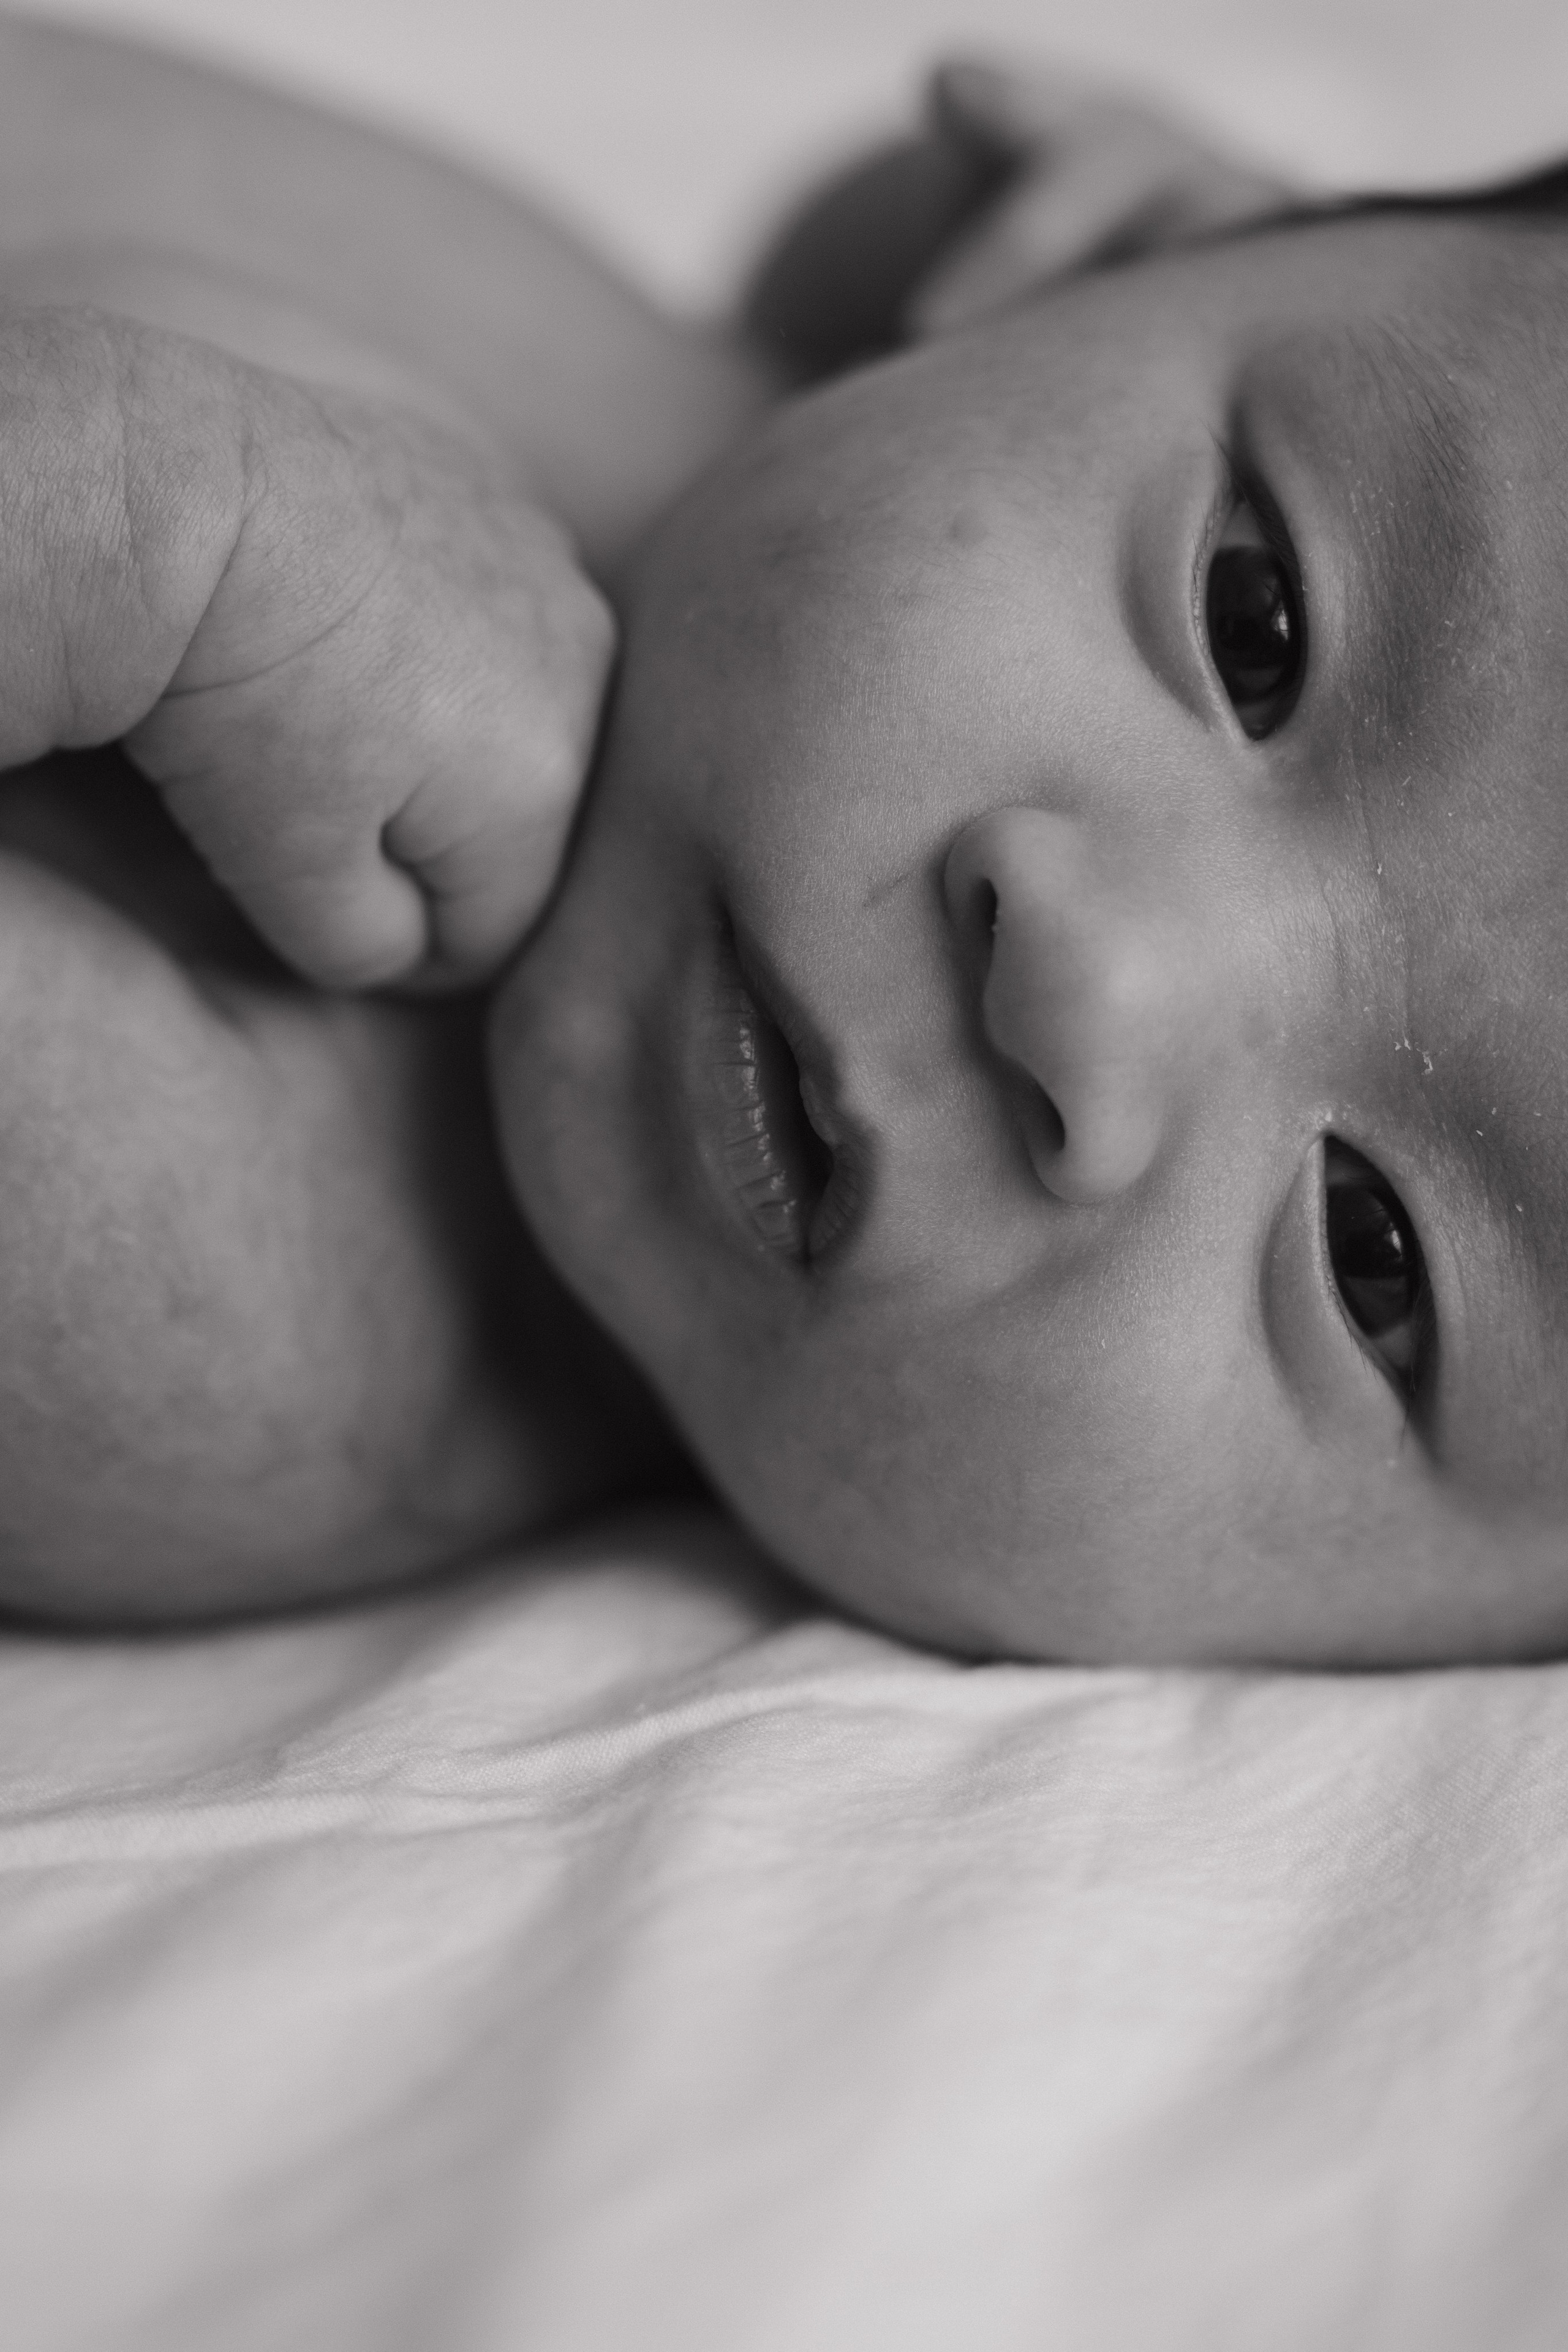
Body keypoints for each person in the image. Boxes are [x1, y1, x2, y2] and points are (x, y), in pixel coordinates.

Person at [6, 20, 1562, 1670]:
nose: (1091, 990)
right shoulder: (759, 459)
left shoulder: (233, 1288)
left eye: (1371, 1261)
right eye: (1254, 624)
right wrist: (990, 235)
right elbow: (849, 259)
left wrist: (124, 519)